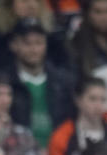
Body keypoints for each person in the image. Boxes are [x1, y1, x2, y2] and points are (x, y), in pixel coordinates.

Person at [4, 16, 74, 148]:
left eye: (39, 43)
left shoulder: (64, 81)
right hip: (20, 152)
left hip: (59, 151)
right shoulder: (6, 82)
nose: (34, 49)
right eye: (27, 43)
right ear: (13, 45)